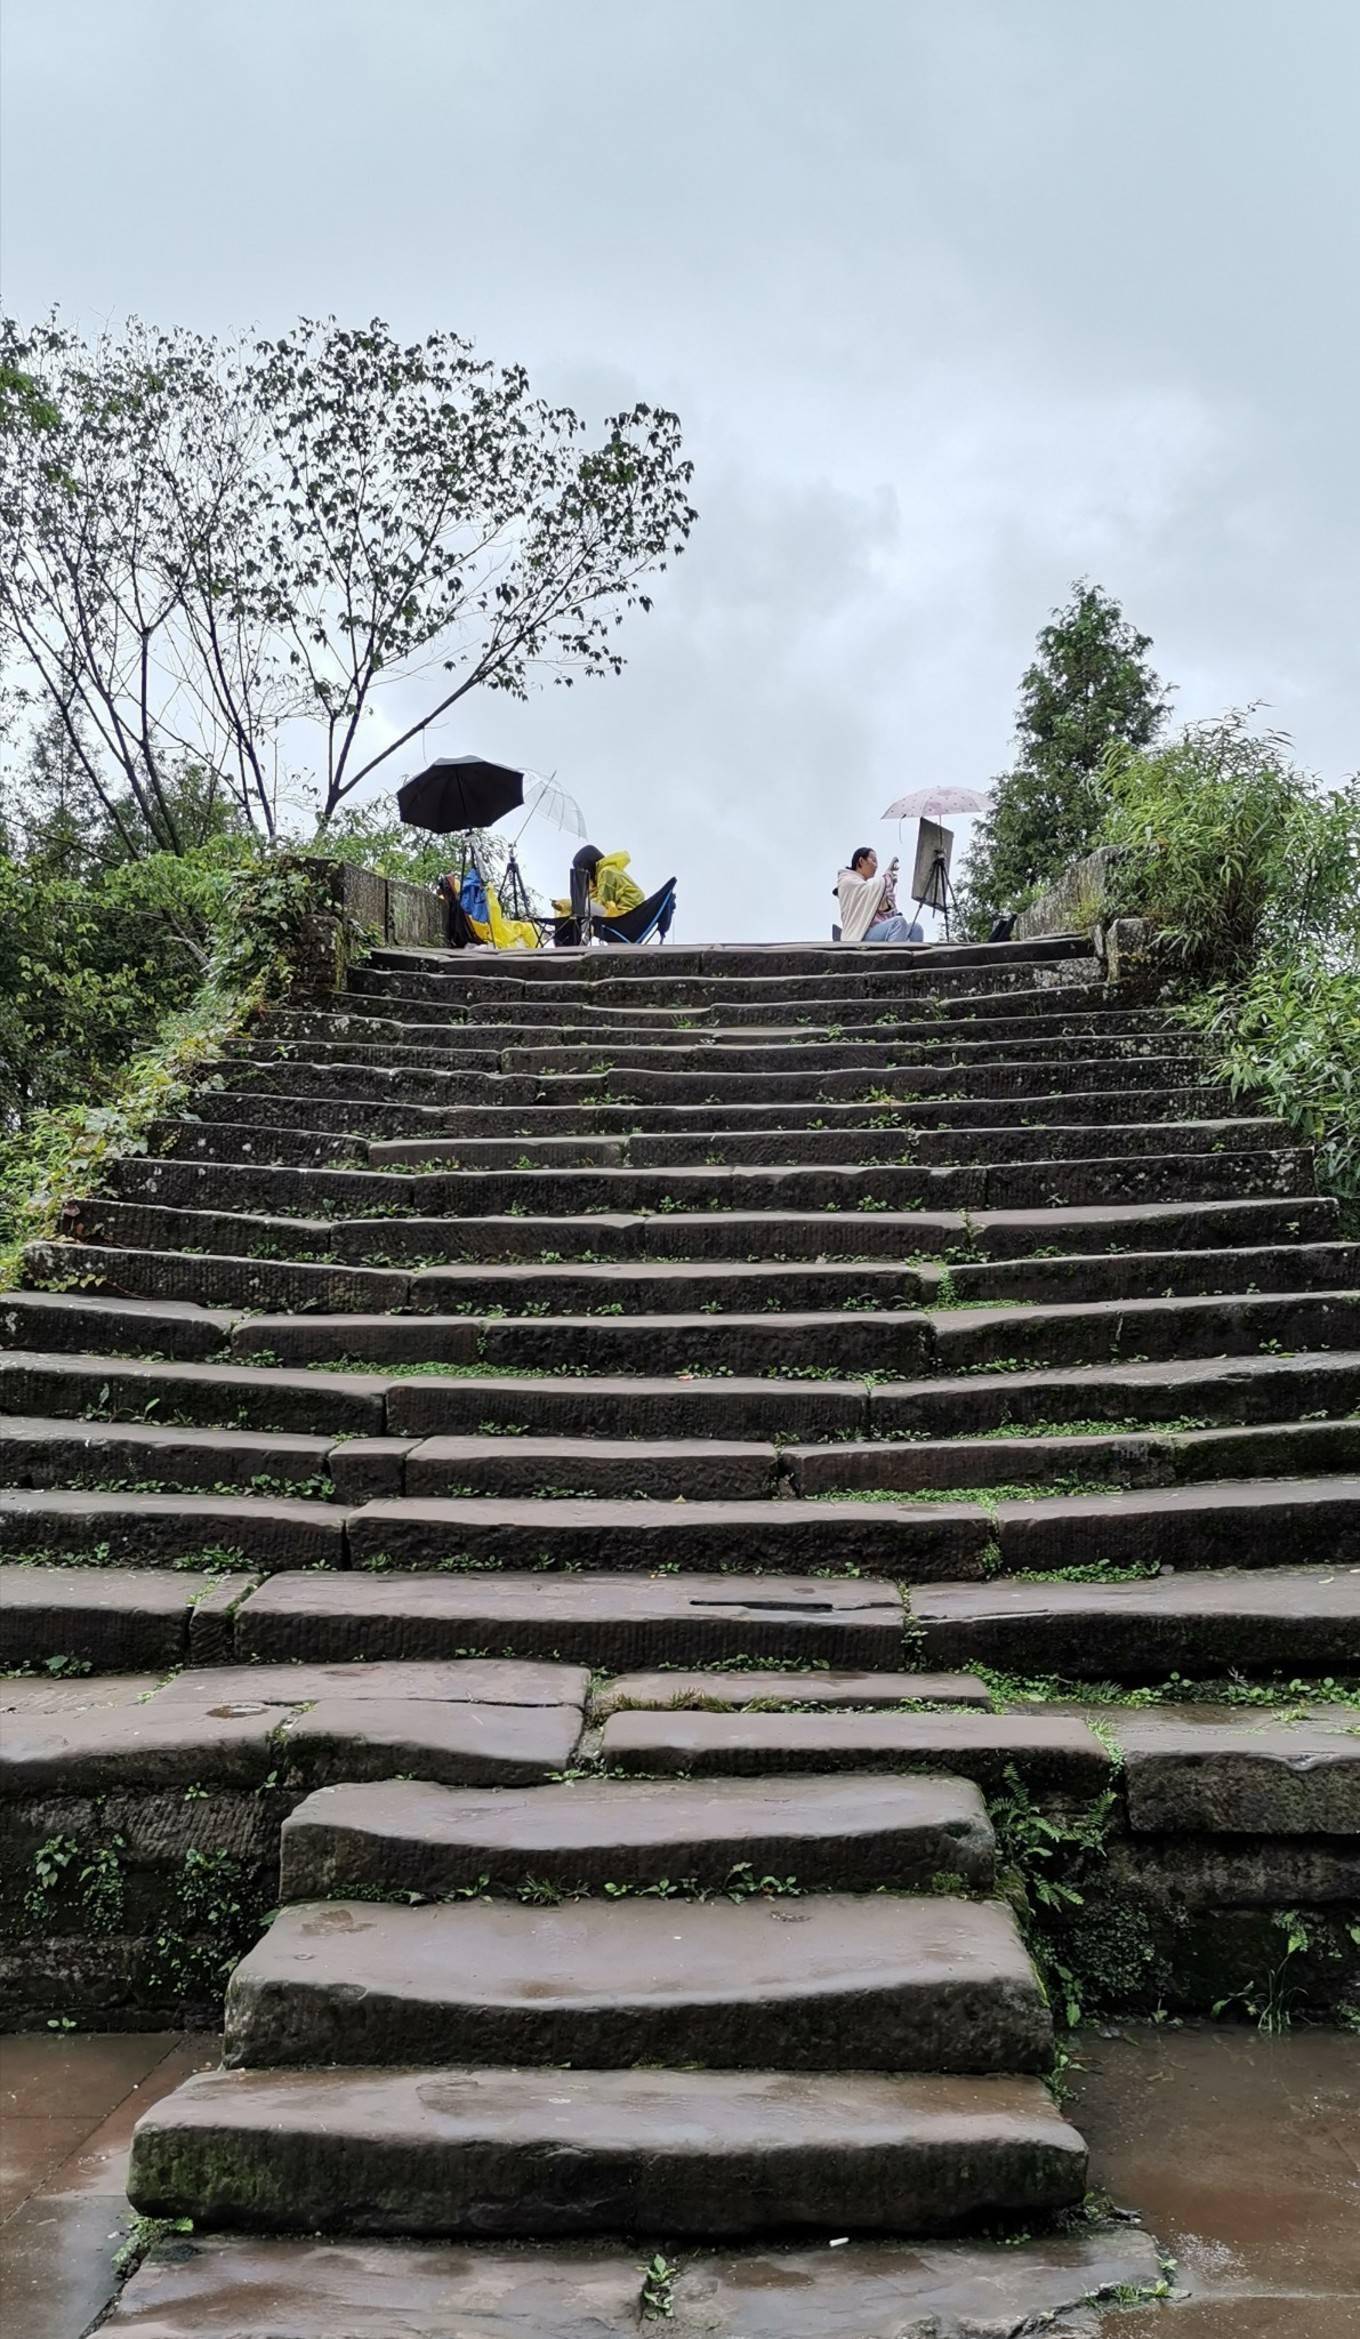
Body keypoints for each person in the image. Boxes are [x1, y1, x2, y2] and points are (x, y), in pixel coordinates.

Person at [835, 846, 924, 943]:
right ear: (861, 861)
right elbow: (872, 888)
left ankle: (912, 958)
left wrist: (889, 887)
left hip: (876, 930)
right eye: (873, 861)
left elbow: (883, 905)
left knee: (916, 928)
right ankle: (895, 957)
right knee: (898, 923)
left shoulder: (868, 888)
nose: (876, 866)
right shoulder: (847, 881)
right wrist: (887, 877)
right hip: (860, 935)